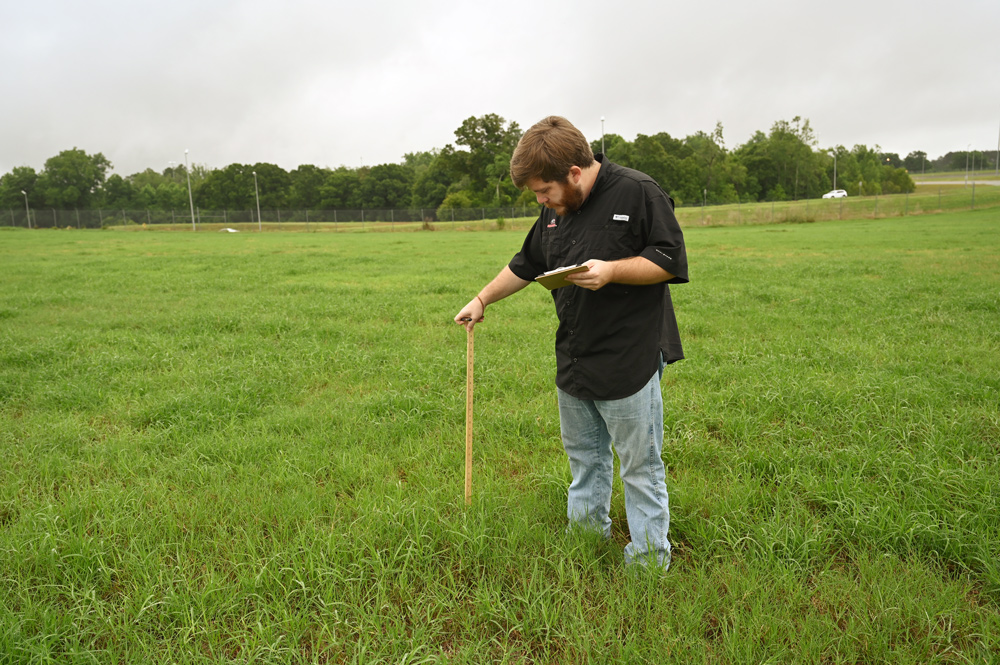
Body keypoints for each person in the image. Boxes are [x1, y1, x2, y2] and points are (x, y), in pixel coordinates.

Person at [454, 116, 688, 569]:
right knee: (585, 459)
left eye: (544, 191)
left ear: (574, 174)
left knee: (639, 467)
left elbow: (669, 259)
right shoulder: (555, 212)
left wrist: (613, 269)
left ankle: (647, 561)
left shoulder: (639, 192)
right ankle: (585, 541)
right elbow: (527, 263)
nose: (541, 201)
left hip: (630, 356)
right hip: (575, 355)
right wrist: (483, 299)